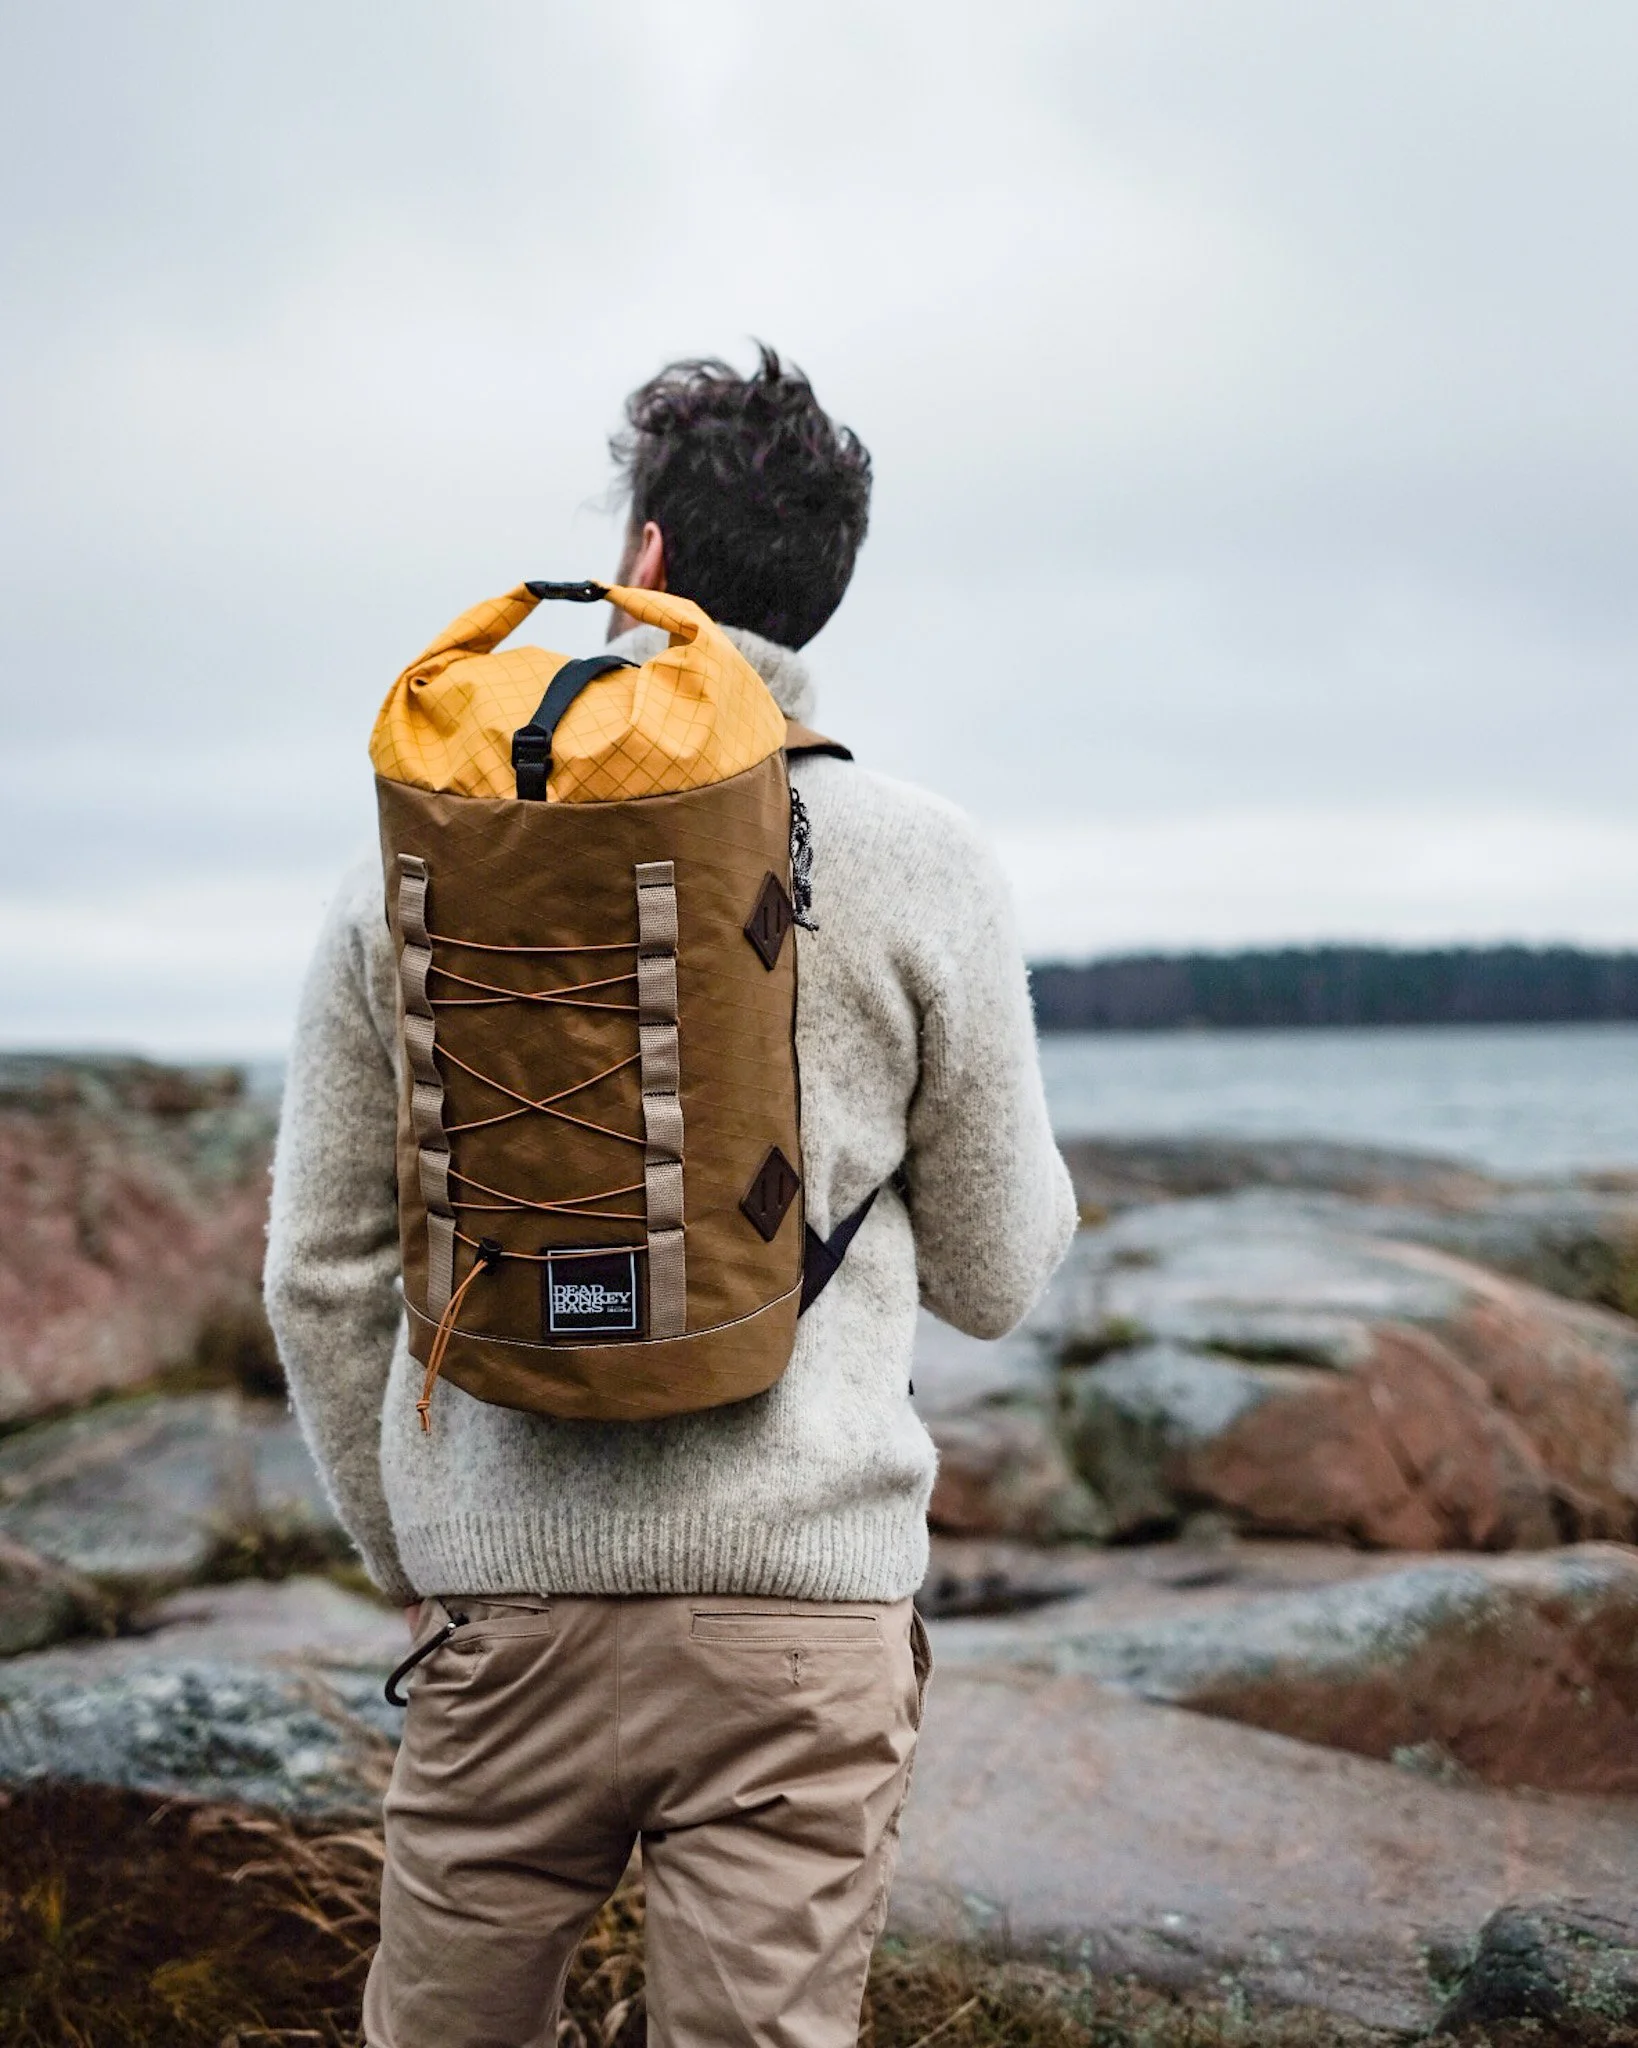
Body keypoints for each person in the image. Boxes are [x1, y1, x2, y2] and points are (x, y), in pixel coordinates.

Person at [264, 344, 1076, 2048]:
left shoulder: (415, 863)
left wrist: (418, 1562)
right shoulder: (925, 857)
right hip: (802, 1627)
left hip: (507, 1606)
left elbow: (322, 1273)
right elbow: (999, 1275)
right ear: (821, 598)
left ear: (639, 567)